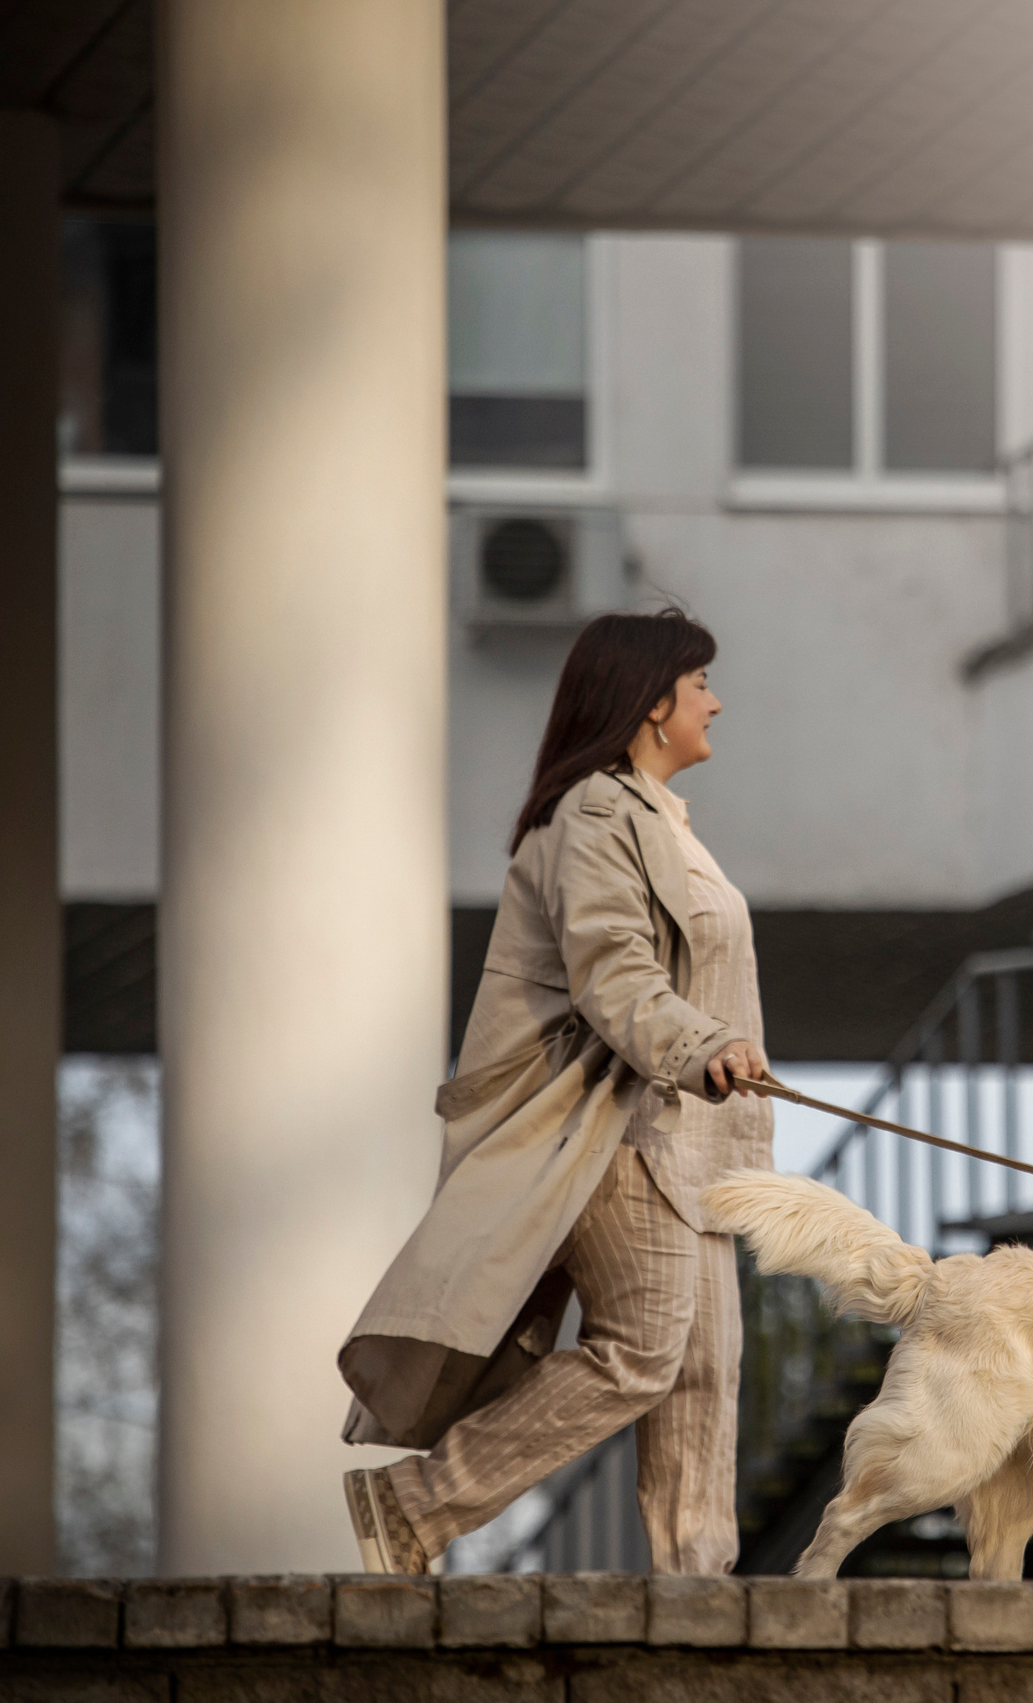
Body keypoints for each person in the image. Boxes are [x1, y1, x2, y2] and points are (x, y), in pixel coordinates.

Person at [337, 607, 771, 1575]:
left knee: (703, 1371)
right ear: (651, 703)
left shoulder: (665, 822)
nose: (714, 703)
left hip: (697, 1146)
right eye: (700, 684)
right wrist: (702, 1046)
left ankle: (698, 1590)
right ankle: (413, 1505)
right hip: (621, 1132)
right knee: (644, 1352)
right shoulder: (593, 814)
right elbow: (611, 971)